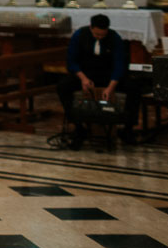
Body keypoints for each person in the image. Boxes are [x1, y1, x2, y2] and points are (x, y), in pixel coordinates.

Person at [57, 13, 139, 148]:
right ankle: (78, 126)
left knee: (133, 88)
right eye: (97, 35)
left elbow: (120, 64)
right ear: (91, 28)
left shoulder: (115, 38)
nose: (100, 37)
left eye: (102, 35)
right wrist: (83, 78)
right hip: (86, 74)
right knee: (63, 87)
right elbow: (71, 61)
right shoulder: (79, 35)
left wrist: (111, 86)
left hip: (107, 75)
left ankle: (127, 128)